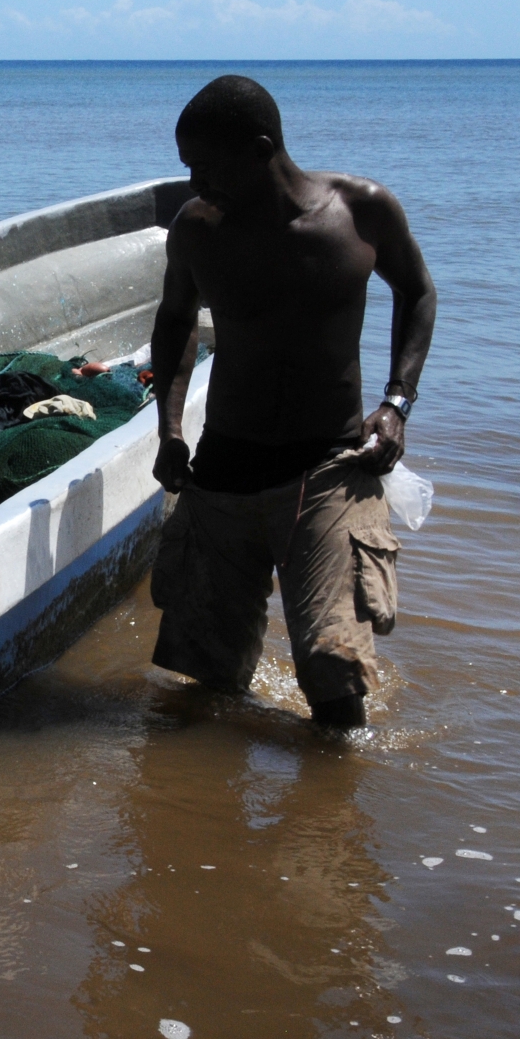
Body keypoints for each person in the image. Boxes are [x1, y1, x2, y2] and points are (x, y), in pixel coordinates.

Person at [147, 76, 436, 729]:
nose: (196, 185)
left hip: (329, 466)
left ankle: (331, 814)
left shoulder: (361, 212)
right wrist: (169, 431)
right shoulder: (197, 232)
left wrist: (396, 404)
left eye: (205, 166)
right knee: (200, 681)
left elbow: (418, 291)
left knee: (334, 674)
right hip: (221, 469)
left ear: (260, 149)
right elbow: (174, 321)